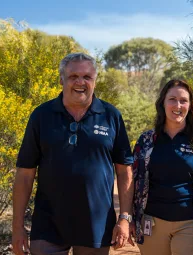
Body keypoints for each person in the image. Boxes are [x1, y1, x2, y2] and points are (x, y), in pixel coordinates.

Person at [12, 53, 134, 255]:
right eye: (73, 76)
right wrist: (17, 228)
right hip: (48, 223)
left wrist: (124, 217)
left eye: (87, 77)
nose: (80, 82)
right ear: (61, 80)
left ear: (95, 80)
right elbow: (25, 174)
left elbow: (124, 171)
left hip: (96, 223)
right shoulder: (42, 115)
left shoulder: (111, 115)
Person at [131, 80, 193, 255]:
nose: (178, 105)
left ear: (190, 106)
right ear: (163, 103)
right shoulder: (146, 141)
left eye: (183, 100)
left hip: (191, 225)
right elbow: (132, 181)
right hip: (151, 223)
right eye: (172, 99)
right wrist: (128, 218)